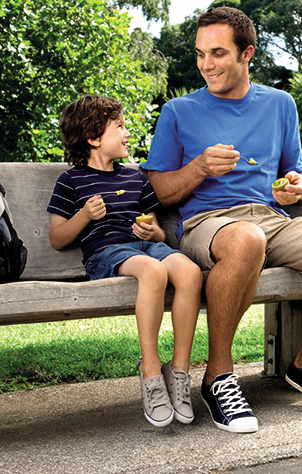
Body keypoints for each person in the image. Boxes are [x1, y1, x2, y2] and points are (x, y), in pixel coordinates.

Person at [141, 6, 302, 434]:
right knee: (246, 240)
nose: (206, 65)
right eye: (200, 54)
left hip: (272, 219)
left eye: (217, 53)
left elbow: (296, 170)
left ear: (247, 54)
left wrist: (297, 184)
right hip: (207, 224)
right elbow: (160, 191)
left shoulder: (280, 105)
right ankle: (218, 376)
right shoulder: (178, 111)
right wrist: (199, 167)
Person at [47, 95, 203, 428]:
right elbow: (58, 238)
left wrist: (153, 234)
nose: (128, 133)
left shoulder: (135, 178)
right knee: (153, 270)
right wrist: (85, 215)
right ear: (94, 138)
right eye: (120, 126)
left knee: (190, 272)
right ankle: (150, 370)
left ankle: (178, 372)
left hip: (144, 246)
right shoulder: (71, 181)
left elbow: (158, 229)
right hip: (107, 253)